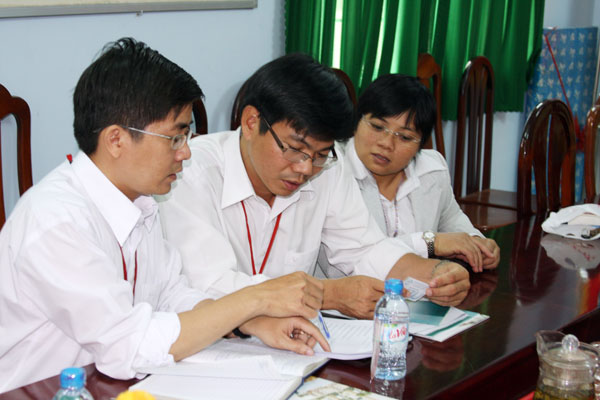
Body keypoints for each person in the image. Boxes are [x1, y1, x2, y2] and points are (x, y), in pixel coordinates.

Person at [0, 38, 329, 393]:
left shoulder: (140, 201)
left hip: (113, 387)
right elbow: (127, 346)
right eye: (174, 138)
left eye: (187, 136)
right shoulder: (57, 222)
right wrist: (255, 299)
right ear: (116, 140)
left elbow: (172, 295)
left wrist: (251, 323)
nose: (186, 153)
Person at [158, 54, 471, 320]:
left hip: (299, 347)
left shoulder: (330, 168)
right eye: (295, 149)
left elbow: (364, 248)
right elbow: (208, 285)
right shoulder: (190, 172)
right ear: (252, 122)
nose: (306, 169)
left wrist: (433, 273)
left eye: (321, 154)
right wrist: (325, 294)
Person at [344, 74, 500, 272]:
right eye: (377, 127)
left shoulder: (432, 169)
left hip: (421, 286)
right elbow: (357, 256)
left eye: (405, 137)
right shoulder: (332, 172)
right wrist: (431, 242)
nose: (386, 144)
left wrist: (476, 242)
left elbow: (451, 219)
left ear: (420, 144)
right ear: (357, 120)